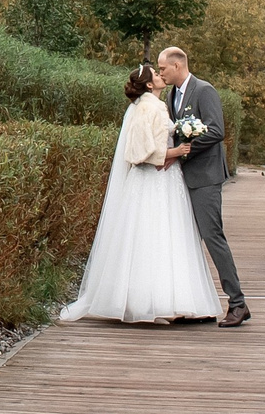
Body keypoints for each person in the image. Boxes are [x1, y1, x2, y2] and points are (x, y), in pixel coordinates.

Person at [57, 62, 226, 324]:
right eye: (156, 73)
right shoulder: (146, 108)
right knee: (151, 237)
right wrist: (175, 152)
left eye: (161, 70)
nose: (161, 75)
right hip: (152, 181)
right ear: (149, 84)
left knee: (168, 237)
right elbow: (138, 152)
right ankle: (150, 302)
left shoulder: (159, 104)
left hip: (167, 181)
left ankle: (171, 300)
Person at [160, 45, 250, 326]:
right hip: (181, 178)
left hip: (206, 176)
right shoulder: (172, 95)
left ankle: (238, 303)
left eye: (163, 68)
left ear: (177, 66)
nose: (161, 73)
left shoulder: (204, 90)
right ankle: (193, 305)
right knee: (186, 239)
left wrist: (185, 150)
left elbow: (216, 130)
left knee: (212, 236)